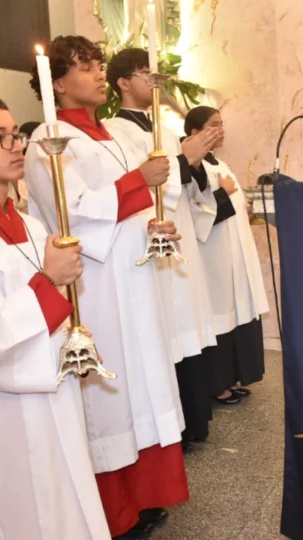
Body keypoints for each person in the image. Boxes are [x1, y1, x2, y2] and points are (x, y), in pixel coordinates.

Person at [24, 36, 188, 539]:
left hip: (132, 278)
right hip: (94, 283)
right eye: (86, 67)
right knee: (109, 394)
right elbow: (71, 213)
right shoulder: (48, 141)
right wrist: (137, 179)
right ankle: (113, 509)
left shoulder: (107, 135)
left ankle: (143, 496)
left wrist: (151, 227)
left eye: (98, 64)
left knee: (141, 380)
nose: (98, 74)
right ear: (56, 83)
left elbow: (129, 210)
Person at [0, 94, 111, 540]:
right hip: (7, 406)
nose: (16, 146)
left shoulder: (29, 224)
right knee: (30, 516)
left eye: (17, 136)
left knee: (69, 502)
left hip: (53, 390)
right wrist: (50, 282)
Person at [104, 47, 225, 446]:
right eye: (144, 74)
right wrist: (182, 159)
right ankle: (175, 428)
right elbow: (138, 183)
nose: (153, 82)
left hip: (182, 233)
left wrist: (192, 162)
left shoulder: (166, 128)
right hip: (152, 242)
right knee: (166, 328)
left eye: (155, 75)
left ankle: (196, 417)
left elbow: (189, 185)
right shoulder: (113, 132)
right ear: (123, 83)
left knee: (187, 323)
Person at [184, 106, 270, 407]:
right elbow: (195, 217)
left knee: (238, 316)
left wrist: (241, 203)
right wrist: (225, 195)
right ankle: (216, 385)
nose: (220, 130)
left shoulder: (219, 163)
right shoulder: (192, 170)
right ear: (194, 133)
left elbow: (231, 200)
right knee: (219, 318)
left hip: (234, 252)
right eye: (213, 125)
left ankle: (233, 376)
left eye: (222, 124)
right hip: (213, 258)